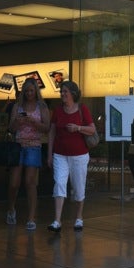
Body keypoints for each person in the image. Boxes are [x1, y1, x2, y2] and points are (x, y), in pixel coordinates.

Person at [47, 80, 96, 232]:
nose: (62, 94)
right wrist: (49, 154)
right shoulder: (58, 111)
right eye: (61, 92)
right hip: (60, 155)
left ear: (73, 94)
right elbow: (52, 133)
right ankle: (57, 220)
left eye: (65, 92)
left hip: (79, 155)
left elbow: (92, 130)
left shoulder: (83, 109)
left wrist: (78, 128)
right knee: (59, 183)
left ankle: (79, 218)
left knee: (78, 187)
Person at [6, 77, 50, 231]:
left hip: (34, 146)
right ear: (23, 92)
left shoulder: (42, 106)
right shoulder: (17, 106)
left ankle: (31, 218)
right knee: (14, 183)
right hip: (18, 145)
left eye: (32, 91)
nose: (29, 93)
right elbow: (11, 128)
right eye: (27, 91)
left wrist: (33, 122)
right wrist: (18, 122)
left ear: (36, 91)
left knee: (30, 182)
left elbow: (46, 128)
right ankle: (11, 208)